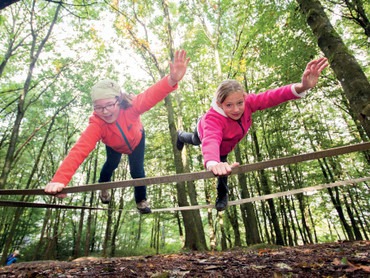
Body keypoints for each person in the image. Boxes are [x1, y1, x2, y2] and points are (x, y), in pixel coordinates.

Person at [45, 50, 190, 214]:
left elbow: (150, 95)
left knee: (137, 170)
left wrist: (171, 79)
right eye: (99, 107)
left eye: (109, 105)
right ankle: (103, 185)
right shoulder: (97, 124)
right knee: (110, 165)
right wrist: (59, 179)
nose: (105, 111)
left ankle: (141, 200)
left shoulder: (132, 107)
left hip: (136, 140)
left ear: (119, 100)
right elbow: (79, 150)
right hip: (114, 145)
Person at [176, 58, 328, 211]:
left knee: (221, 162)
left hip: (226, 143)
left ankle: (187, 140)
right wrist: (213, 163)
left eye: (239, 103)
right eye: (229, 105)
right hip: (205, 132)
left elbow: (272, 96)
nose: (236, 110)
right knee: (198, 143)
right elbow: (210, 141)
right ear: (220, 103)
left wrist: (302, 87)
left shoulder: (249, 103)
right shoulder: (213, 120)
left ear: (244, 98)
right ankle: (182, 137)